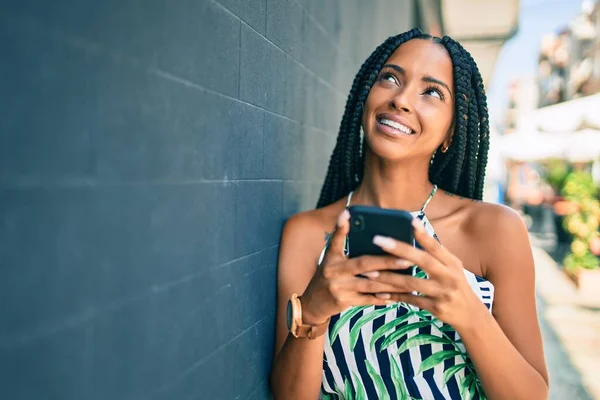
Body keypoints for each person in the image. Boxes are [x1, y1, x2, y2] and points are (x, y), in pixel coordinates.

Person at [270, 28, 549, 400]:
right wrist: (314, 313)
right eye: (390, 78)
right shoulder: (307, 234)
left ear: (452, 131)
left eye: (432, 92)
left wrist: (469, 313)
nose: (401, 99)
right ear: (365, 96)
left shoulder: (494, 230)